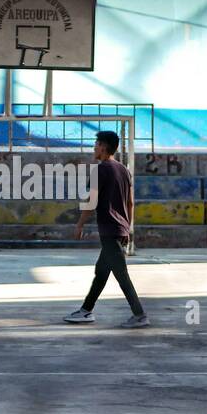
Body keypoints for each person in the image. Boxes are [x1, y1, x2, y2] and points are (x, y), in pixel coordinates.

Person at [64, 130, 148, 328]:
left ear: (103, 147)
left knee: (121, 275)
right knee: (101, 271)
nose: (94, 147)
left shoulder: (100, 170)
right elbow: (130, 203)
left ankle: (140, 314)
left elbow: (91, 201)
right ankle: (86, 310)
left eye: (96, 144)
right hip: (119, 229)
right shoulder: (124, 170)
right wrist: (127, 227)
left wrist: (79, 224)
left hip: (110, 230)